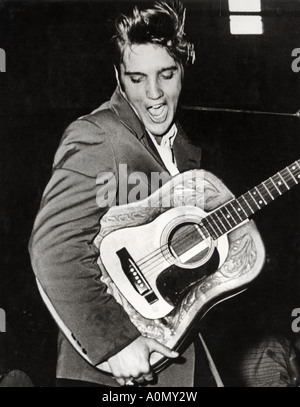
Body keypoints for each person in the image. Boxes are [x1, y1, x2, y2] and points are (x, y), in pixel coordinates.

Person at [28, 0, 298, 387]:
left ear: (183, 68)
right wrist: (115, 343)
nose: (154, 95)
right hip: (105, 375)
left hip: (177, 363)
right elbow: (54, 245)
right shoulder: (98, 135)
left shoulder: (186, 154)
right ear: (119, 75)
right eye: (137, 79)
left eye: (166, 74)